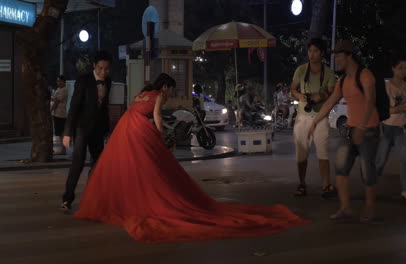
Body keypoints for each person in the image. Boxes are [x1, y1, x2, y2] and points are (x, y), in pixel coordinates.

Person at [74, 73, 309, 243]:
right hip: (139, 130)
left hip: (126, 128)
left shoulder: (142, 93)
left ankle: (124, 199)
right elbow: (156, 117)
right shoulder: (158, 96)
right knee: (150, 167)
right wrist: (160, 136)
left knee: (129, 166)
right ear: (165, 87)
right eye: (171, 89)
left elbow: (137, 112)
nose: (170, 94)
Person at [309, 40, 380, 222]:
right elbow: (331, 101)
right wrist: (315, 122)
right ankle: (345, 208)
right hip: (350, 129)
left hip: (368, 130)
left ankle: (370, 208)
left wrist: (362, 127)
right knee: (340, 168)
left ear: (349, 56)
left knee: (367, 171)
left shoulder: (365, 76)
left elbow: (370, 101)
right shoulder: (343, 81)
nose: (337, 60)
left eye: (339, 56)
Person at [61, 51, 113, 211]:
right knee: (77, 163)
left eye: (106, 69)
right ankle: (67, 199)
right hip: (82, 128)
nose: (103, 72)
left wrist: (107, 130)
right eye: (100, 68)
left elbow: (104, 108)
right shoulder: (83, 80)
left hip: (98, 129)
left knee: (98, 165)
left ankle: (92, 197)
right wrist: (67, 132)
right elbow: (74, 106)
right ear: (94, 66)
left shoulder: (108, 82)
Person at [290, 38, 337, 198]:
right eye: (310, 51)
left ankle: (326, 185)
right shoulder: (301, 70)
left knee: (323, 153)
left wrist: (320, 95)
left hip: (321, 116)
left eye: (316, 51)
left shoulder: (329, 72)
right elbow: (292, 89)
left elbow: (332, 91)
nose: (312, 54)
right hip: (303, 116)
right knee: (301, 152)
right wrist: (300, 96)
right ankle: (302, 184)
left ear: (322, 53)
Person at [375, 56, 406, 203]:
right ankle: (371, 187)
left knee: (405, 160)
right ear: (393, 69)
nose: (404, 71)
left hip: (401, 127)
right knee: (380, 161)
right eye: (400, 68)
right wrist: (402, 107)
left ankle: (405, 191)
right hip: (386, 127)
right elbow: (386, 110)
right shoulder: (386, 87)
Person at [51, 75, 68, 155]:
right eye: (57, 81)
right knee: (58, 132)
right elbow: (54, 98)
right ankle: (62, 149)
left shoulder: (64, 90)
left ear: (63, 82)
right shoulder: (58, 89)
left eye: (59, 81)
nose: (58, 82)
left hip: (60, 114)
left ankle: (63, 149)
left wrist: (51, 110)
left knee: (61, 133)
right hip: (56, 114)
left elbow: (57, 101)